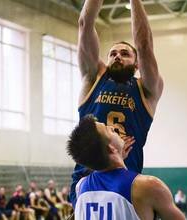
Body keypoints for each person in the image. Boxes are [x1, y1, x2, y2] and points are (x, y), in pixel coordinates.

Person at [70, 0, 164, 205]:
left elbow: (144, 44)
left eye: (125, 54)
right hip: (86, 179)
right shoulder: (93, 78)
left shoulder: (147, 89)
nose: (117, 56)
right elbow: (85, 23)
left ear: (137, 64)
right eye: (112, 53)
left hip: (126, 181)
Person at [67, 115, 184, 220]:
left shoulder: (81, 187)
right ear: (111, 148)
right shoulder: (149, 186)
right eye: (108, 130)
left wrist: (116, 157)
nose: (112, 128)